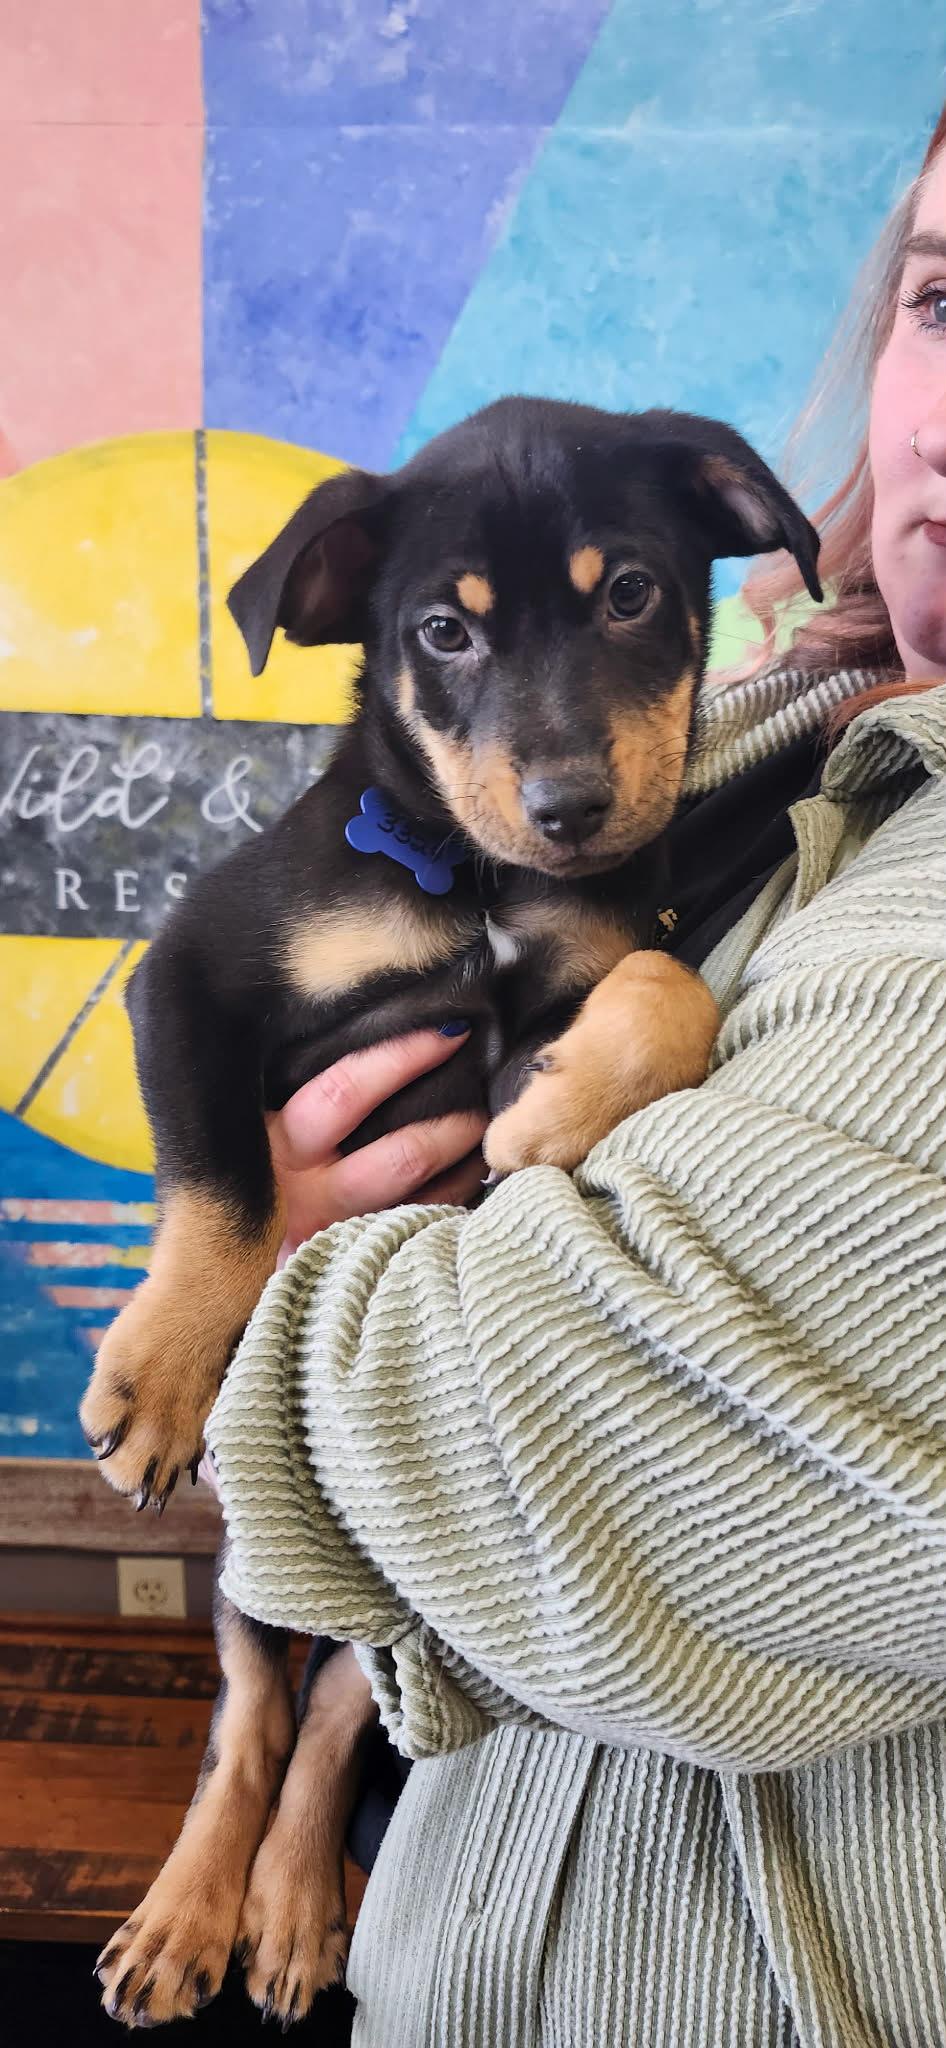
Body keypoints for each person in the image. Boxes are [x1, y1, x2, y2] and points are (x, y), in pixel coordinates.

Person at [208, 108, 946, 2046]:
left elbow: (528, 1447)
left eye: (622, 605)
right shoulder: (778, 744)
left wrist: (266, 1278)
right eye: (943, 302)